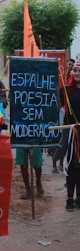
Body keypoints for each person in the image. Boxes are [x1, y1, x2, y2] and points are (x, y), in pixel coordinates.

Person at [54, 59, 80, 210]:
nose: (77, 73)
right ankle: (70, 198)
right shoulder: (65, 90)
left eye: (79, 71)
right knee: (71, 165)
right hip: (71, 132)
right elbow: (54, 106)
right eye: (75, 71)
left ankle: (79, 197)